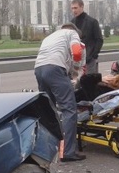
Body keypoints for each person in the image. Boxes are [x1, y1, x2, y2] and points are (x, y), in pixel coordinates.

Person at [34, 23, 86, 162]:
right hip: (55, 68)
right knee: (69, 109)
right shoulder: (72, 34)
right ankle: (68, 152)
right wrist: (75, 74)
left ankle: (45, 150)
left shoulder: (50, 37)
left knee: (48, 111)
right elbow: (76, 52)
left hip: (39, 69)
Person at [70, 0, 104, 75]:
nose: (74, 10)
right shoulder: (71, 23)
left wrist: (94, 56)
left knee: (90, 84)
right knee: (77, 84)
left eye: (75, 8)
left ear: (82, 7)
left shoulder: (92, 22)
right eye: (72, 8)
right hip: (76, 61)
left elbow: (99, 40)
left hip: (89, 61)